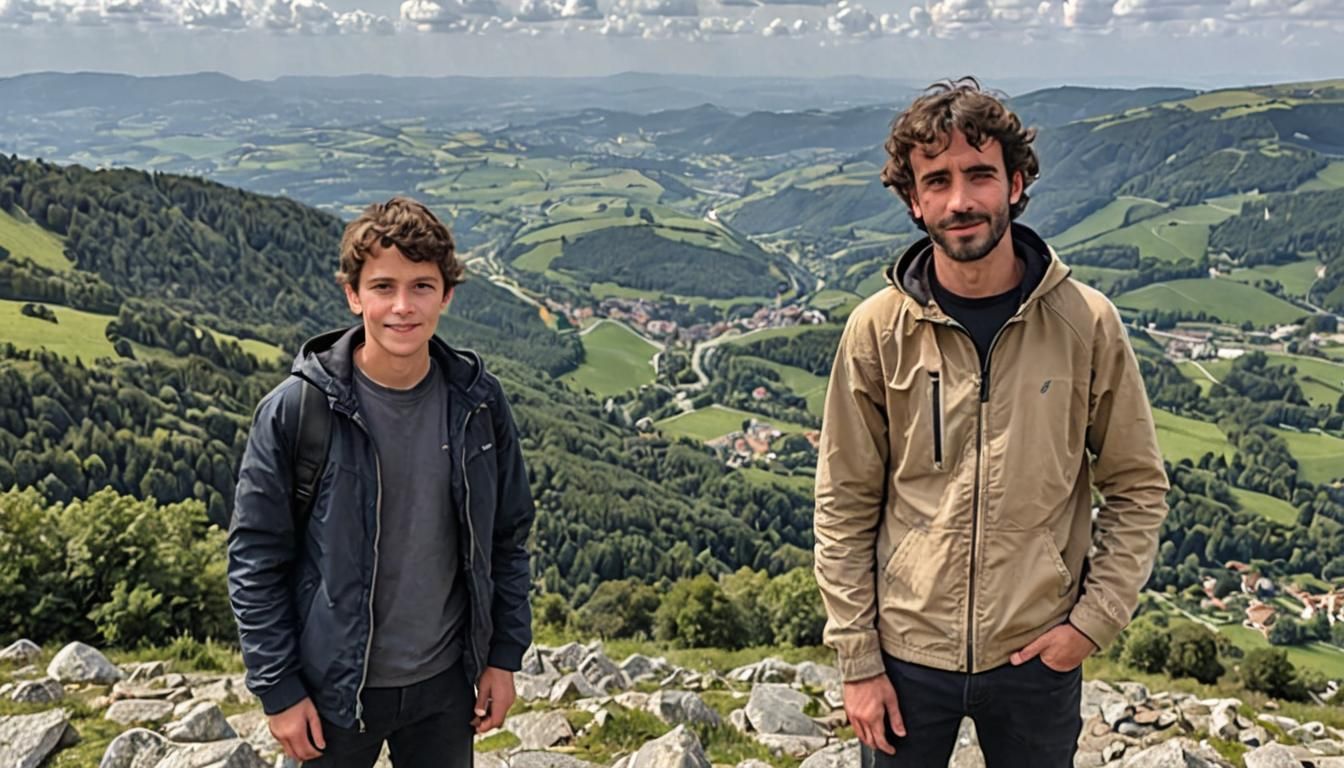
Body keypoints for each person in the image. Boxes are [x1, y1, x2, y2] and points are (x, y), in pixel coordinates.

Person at [812, 78, 1169, 767]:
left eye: (980, 174)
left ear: (1015, 184)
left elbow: (1137, 487)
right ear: (913, 201)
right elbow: (843, 503)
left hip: (1037, 653)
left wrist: (1090, 627)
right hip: (906, 655)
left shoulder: (1086, 323)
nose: (960, 201)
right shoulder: (877, 331)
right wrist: (858, 660)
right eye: (937, 180)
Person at [228, 196, 535, 767]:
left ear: (446, 294)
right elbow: (256, 560)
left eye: (421, 286)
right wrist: (279, 690)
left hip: (446, 688)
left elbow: (507, 538)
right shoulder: (298, 411)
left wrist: (503, 657)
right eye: (382, 287)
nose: (402, 306)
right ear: (353, 294)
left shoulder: (478, 403)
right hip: (332, 693)